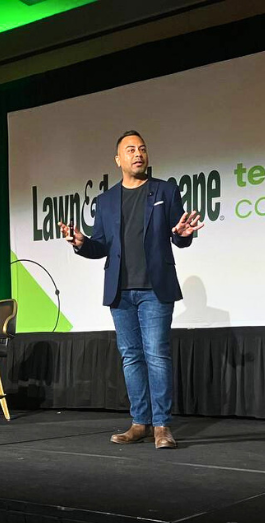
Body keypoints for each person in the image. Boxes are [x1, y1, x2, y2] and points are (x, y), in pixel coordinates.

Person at [58, 130, 204, 449]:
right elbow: (101, 246)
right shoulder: (106, 201)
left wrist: (183, 234)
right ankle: (140, 422)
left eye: (142, 149)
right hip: (120, 291)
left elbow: (178, 234)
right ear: (118, 159)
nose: (138, 154)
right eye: (131, 150)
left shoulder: (165, 190)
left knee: (157, 355)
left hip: (155, 289)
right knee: (131, 357)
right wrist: (82, 243)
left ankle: (161, 426)